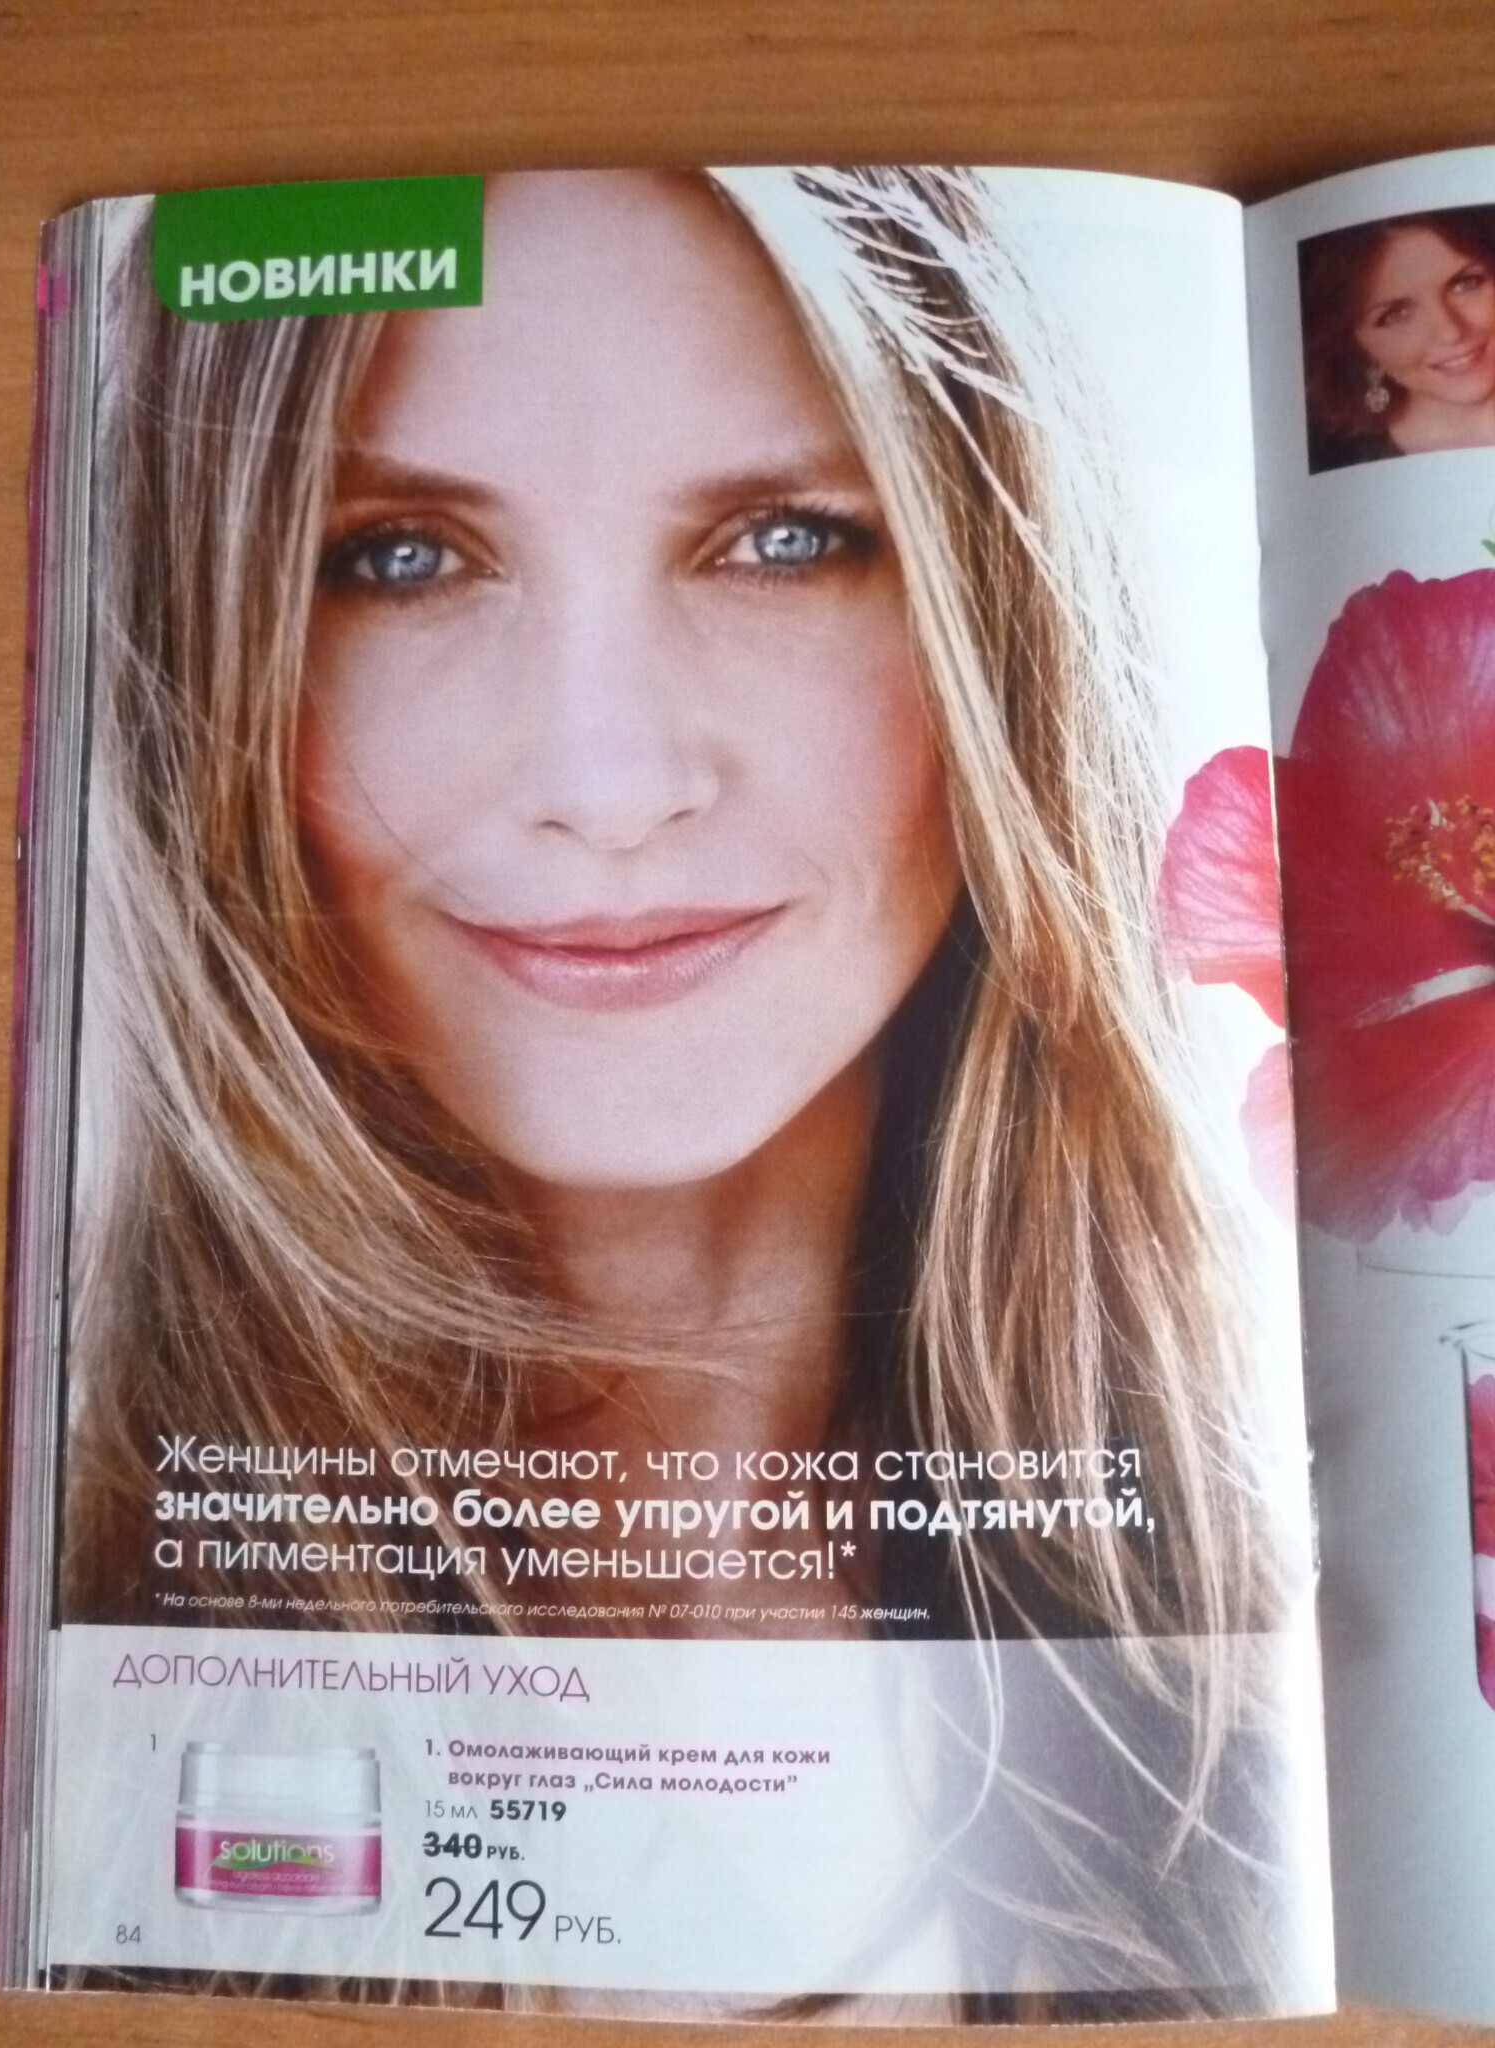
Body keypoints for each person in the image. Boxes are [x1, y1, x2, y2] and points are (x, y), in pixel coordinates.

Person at [67, 168, 1304, 2006]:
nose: (614, 780)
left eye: (782, 541)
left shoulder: (1262, 1622)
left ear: (997, 632)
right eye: (401, 557)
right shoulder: (74, 1697)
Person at [1301, 206, 1495, 470]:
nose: (1451, 332)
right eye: (1396, 315)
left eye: (1466, 284)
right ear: (1357, 344)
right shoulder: (1339, 464)